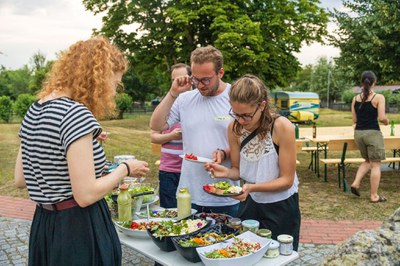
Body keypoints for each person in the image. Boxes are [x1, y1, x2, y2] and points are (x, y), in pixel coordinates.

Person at [14, 36, 150, 266]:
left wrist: (87, 142)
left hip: (45, 226)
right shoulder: (75, 114)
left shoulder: (35, 109)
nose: (115, 91)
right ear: (98, 77)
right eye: (115, 83)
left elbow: (21, 178)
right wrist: (126, 169)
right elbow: (85, 195)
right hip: (79, 229)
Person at [205, 74, 301, 251]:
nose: (241, 121)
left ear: (262, 105)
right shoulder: (234, 128)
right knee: (246, 252)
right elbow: (238, 170)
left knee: (277, 256)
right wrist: (225, 172)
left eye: (247, 116)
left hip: (281, 207)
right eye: (236, 114)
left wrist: (250, 187)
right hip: (251, 205)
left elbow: (286, 180)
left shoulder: (281, 127)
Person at [149, 45, 240, 217]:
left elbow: (247, 139)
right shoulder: (185, 99)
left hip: (225, 193)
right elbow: (156, 126)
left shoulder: (235, 97)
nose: (200, 85)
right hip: (189, 193)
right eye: (195, 79)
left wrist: (225, 153)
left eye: (206, 79)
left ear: (221, 73)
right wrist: (172, 93)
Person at [150, 63, 191, 208]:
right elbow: (153, 136)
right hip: (168, 169)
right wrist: (171, 136)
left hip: (189, 169)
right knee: (169, 211)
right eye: (174, 79)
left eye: (182, 78)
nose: (178, 82)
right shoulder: (167, 105)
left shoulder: (195, 103)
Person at [350, 70, 389, 203]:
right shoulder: (379, 97)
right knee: (376, 165)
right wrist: (386, 121)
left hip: (358, 134)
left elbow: (354, 120)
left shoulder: (355, 99)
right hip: (373, 133)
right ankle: (374, 196)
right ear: (374, 83)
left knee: (367, 160)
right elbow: (382, 117)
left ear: (362, 82)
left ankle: (355, 183)